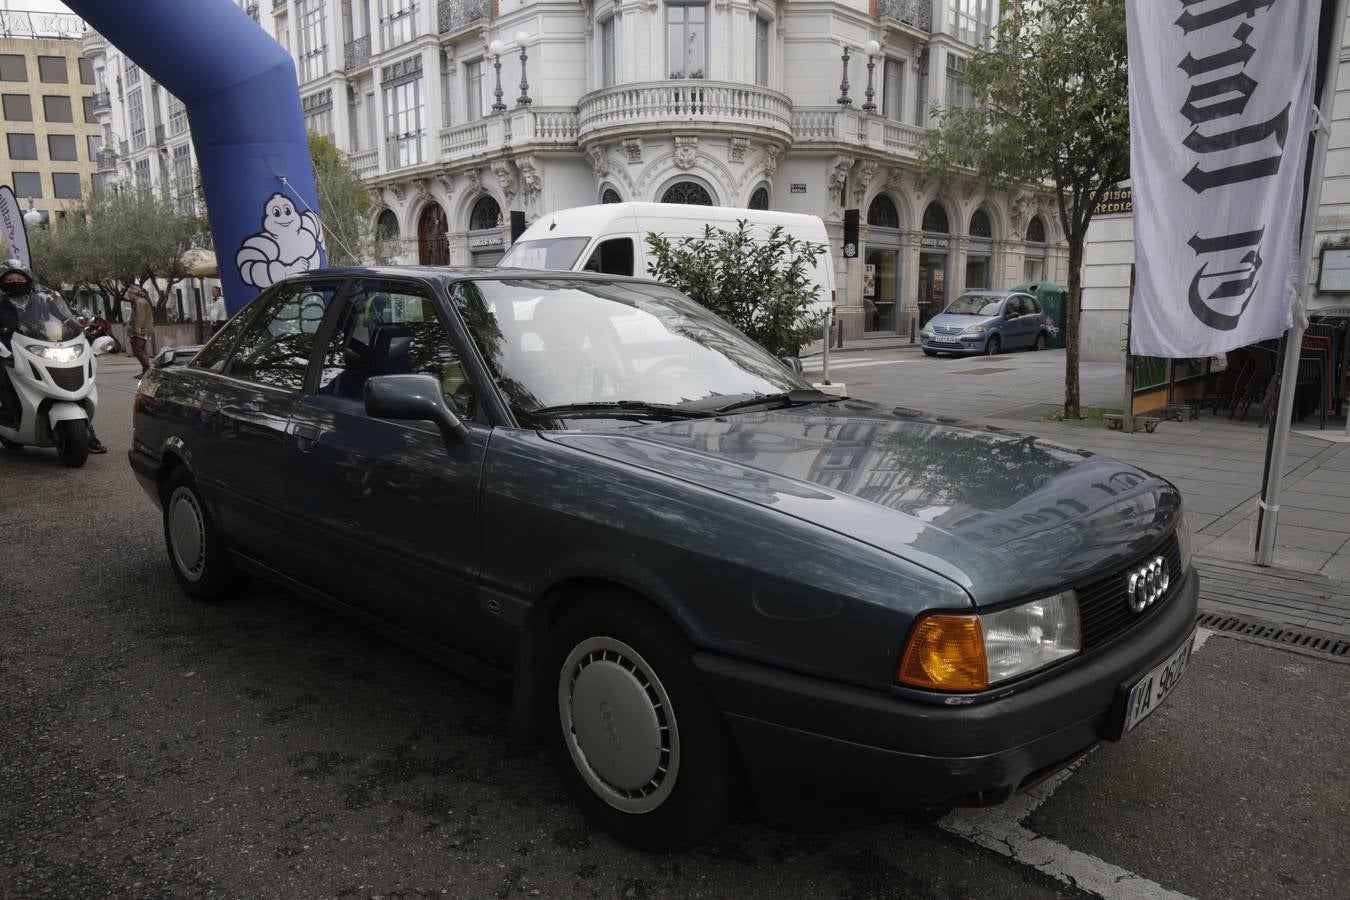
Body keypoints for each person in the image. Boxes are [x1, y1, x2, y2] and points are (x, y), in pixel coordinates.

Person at [0, 266, 105, 452]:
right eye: (9, 280)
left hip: (42, 345)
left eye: (19, 279)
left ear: (28, 280)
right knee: (5, 374)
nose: (15, 283)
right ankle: (11, 415)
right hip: (8, 348)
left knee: (73, 387)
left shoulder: (43, 300)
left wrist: (79, 330)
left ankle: (88, 434)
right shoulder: (1, 302)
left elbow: (64, 318)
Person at [127, 285, 154, 378]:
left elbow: (140, 317)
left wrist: (137, 329)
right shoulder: (140, 301)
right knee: (142, 349)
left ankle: (147, 369)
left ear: (133, 293)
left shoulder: (139, 302)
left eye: (129, 293)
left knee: (137, 349)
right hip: (144, 329)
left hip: (141, 330)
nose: (128, 295)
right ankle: (146, 371)